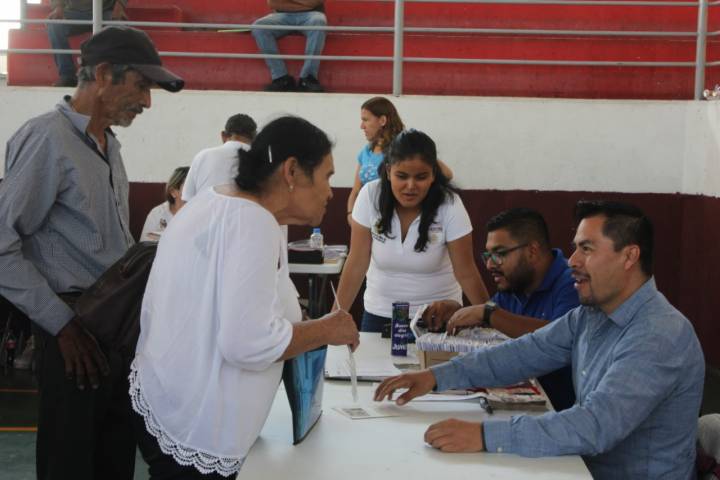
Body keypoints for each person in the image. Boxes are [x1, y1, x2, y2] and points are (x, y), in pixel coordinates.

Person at [374, 200, 705, 480]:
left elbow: (595, 426)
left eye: (586, 249)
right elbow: (523, 353)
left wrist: (483, 435)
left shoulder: (659, 334)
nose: (572, 261)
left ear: (629, 256)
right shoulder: (590, 315)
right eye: (576, 248)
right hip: (579, 467)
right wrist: (435, 377)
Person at [130, 116, 359, 479]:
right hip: (200, 426)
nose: (331, 192)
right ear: (292, 171)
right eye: (327, 176)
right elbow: (248, 343)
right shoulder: (253, 221)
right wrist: (327, 329)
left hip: (170, 398)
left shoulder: (215, 200)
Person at [0, 26, 183, 480]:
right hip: (73, 334)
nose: (147, 101)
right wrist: (61, 326)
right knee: (70, 465)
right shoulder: (46, 139)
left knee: (113, 462)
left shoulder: (107, 145)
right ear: (102, 74)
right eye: (141, 85)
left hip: (113, 332)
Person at [335, 129, 489, 332]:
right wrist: (334, 318)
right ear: (388, 171)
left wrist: (491, 319)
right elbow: (356, 263)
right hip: (379, 315)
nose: (410, 186)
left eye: (421, 177)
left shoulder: (449, 204)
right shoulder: (370, 196)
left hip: (437, 319)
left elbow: (466, 272)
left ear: (433, 174)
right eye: (402, 176)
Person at [425, 208, 578, 410]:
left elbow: (561, 339)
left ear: (532, 251)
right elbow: (494, 322)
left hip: (560, 411)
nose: (490, 265)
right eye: (488, 255)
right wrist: (457, 313)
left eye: (499, 254)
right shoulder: (514, 283)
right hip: (521, 400)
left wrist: (488, 313)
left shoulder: (573, 283)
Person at [346, 97, 454, 221]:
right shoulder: (366, 151)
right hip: (366, 218)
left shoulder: (401, 150)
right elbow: (356, 190)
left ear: (382, 120)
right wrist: (350, 214)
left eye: (365, 120)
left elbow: (447, 174)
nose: (362, 126)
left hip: (391, 218)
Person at [48, 0, 128, 87]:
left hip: (104, 11)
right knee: (54, 25)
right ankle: (67, 75)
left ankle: (114, 75)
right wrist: (58, 7)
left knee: (119, 26)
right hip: (74, 12)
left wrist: (119, 7)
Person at [252, 0, 327, 92]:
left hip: (312, 14)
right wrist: (304, 3)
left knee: (319, 21)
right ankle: (281, 78)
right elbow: (272, 2)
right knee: (259, 27)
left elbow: (316, 1)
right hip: (281, 15)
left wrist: (287, 3)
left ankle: (308, 78)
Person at [182, 113, 257, 202]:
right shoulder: (261, 160)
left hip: (205, 210)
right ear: (254, 137)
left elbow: (187, 199)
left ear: (223, 135)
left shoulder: (202, 156)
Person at [140, 166, 189, 241]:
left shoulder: (201, 214)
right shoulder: (157, 214)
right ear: (173, 192)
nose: (194, 193)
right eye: (188, 188)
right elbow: (145, 245)